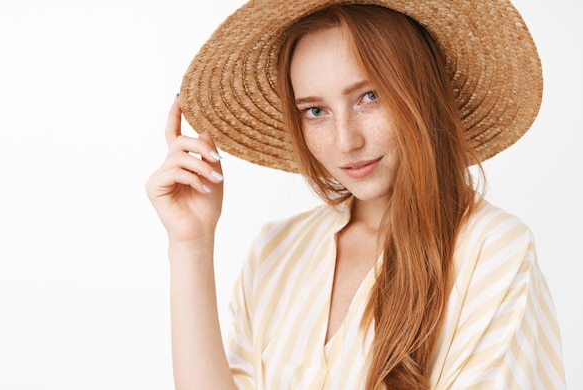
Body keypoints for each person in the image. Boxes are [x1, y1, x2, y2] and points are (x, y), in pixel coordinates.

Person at [146, 1, 565, 389]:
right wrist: (191, 244)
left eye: (369, 97)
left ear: (420, 92)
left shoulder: (493, 251)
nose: (346, 141)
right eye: (316, 111)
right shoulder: (277, 251)